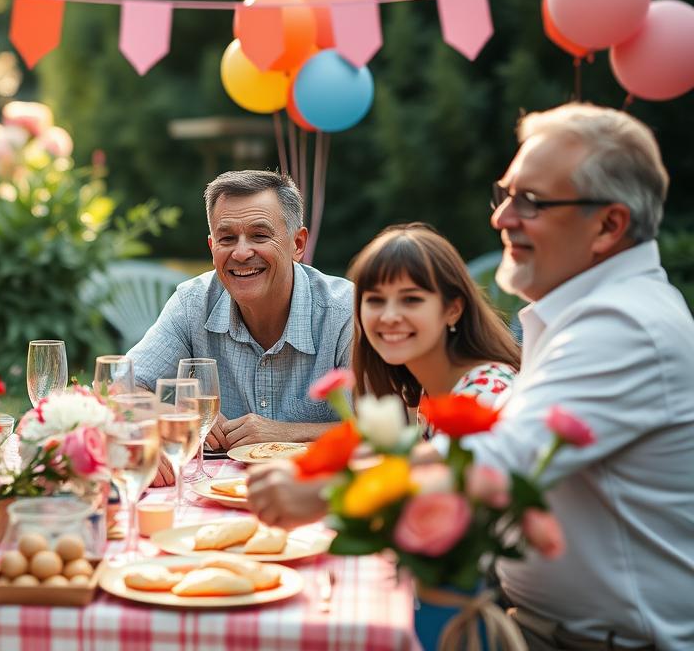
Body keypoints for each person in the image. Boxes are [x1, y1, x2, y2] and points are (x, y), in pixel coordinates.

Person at [249, 104, 694, 650]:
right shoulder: (596, 312)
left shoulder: (623, 324)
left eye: (530, 201)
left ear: (608, 225)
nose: (501, 217)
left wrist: (327, 490)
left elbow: (496, 461)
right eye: (504, 195)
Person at [128, 170, 353, 451]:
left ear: (297, 244)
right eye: (227, 239)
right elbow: (121, 389)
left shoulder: (345, 312)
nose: (241, 253)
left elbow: (386, 430)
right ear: (212, 248)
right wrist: (176, 413)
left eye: (259, 235)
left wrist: (285, 433)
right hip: (214, 489)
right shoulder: (192, 303)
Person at [350, 223, 519, 418]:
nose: (389, 317)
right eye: (375, 300)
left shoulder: (485, 396)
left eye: (411, 299)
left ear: (453, 310)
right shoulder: (432, 391)